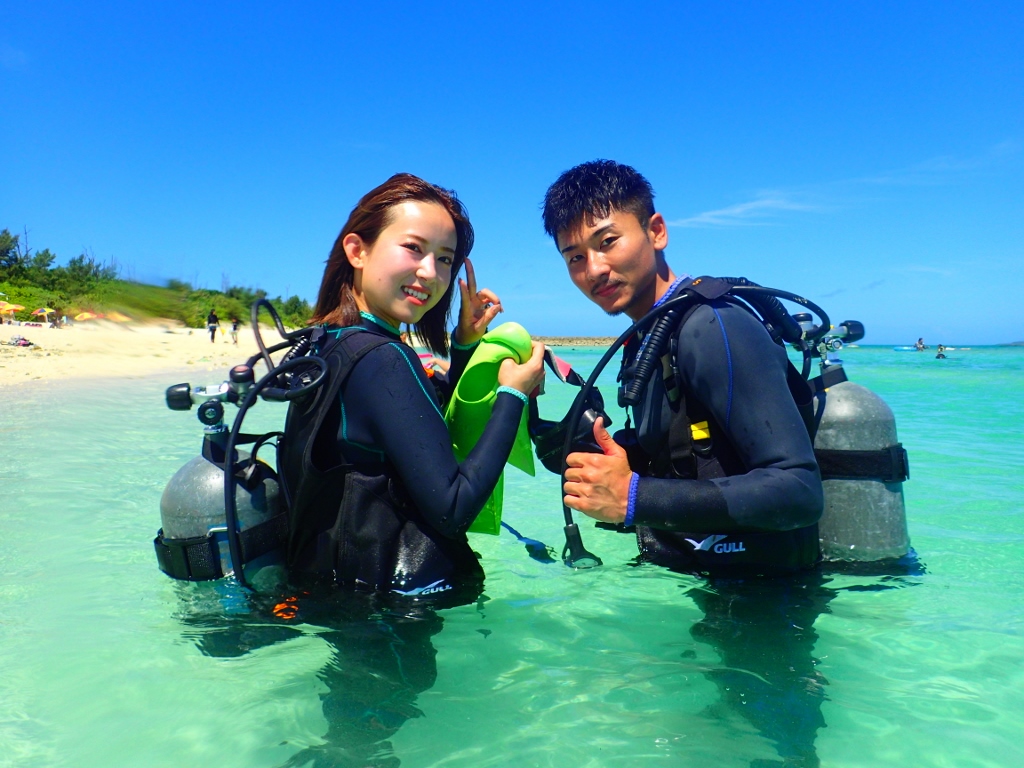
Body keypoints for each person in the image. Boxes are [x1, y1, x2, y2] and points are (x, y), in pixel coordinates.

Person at [543, 159, 828, 766]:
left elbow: (800, 488)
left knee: (771, 750)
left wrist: (636, 500)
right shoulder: (649, 340)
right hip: (722, 592)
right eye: (573, 257)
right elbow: (671, 460)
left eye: (607, 241)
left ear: (657, 231)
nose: (593, 269)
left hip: (770, 606)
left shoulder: (711, 327)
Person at [280, 173, 545, 598]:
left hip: (334, 586)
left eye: (444, 258)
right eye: (413, 248)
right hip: (386, 609)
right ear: (357, 250)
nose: (430, 272)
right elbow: (453, 507)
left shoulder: (330, 341)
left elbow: (414, 432)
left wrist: (463, 345)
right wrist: (513, 395)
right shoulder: (383, 358)